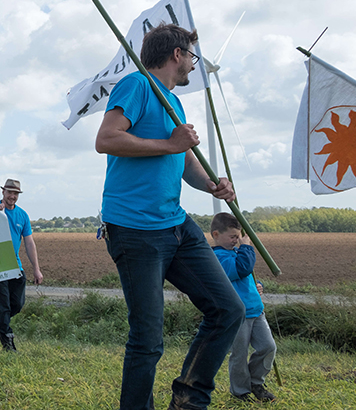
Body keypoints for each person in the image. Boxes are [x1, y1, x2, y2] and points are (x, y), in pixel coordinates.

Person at [95, 24, 244, 410]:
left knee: (228, 309)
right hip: (134, 229)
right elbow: (106, 139)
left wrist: (213, 185)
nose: (194, 65)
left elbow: (184, 162)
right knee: (147, 338)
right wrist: (171, 143)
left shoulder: (173, 103)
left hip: (176, 226)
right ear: (177, 54)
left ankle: (189, 401)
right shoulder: (137, 85)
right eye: (192, 56)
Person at [211, 213, 277, 403]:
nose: (236, 240)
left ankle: (256, 382)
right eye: (232, 237)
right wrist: (247, 247)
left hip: (256, 310)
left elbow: (245, 276)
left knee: (268, 347)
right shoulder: (217, 257)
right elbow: (240, 269)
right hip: (237, 315)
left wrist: (257, 285)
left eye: (238, 237)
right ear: (216, 234)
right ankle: (240, 391)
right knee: (239, 354)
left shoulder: (236, 253)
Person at [0, 179, 43, 352]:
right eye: (10, 193)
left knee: (16, 304)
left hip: (15, 267)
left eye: (16, 194)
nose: (12, 196)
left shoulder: (22, 215)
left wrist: (36, 269)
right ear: (3, 192)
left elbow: (29, 243)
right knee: (4, 307)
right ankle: (8, 345)